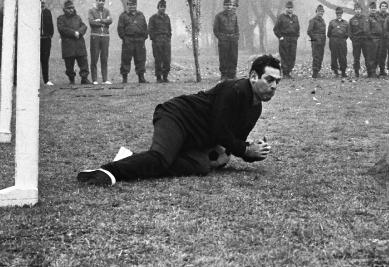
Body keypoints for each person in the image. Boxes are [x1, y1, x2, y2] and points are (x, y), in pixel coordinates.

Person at [76, 54, 281, 187]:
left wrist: (253, 151)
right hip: (177, 116)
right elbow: (220, 133)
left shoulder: (256, 107)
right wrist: (245, 150)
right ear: (253, 77)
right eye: (269, 79)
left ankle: (132, 159)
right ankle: (107, 170)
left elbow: (233, 142)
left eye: (277, 82)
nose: (273, 86)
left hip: (194, 137)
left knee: (201, 166)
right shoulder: (236, 89)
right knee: (161, 158)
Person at [57, 0, 90, 85]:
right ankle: (71, 79)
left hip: (79, 44)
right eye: (69, 8)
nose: (71, 9)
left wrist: (79, 32)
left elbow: (84, 26)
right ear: (65, 9)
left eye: (72, 8)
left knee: (83, 61)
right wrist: (74, 33)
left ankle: (84, 78)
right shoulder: (61, 18)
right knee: (69, 64)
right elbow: (62, 29)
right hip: (68, 45)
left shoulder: (78, 17)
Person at [118, 0, 148, 84]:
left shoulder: (141, 15)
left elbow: (145, 27)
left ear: (136, 5)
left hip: (139, 40)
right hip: (128, 39)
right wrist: (124, 38)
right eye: (130, 5)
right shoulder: (123, 16)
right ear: (127, 5)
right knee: (126, 59)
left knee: (140, 59)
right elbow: (120, 28)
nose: (132, 6)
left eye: (134, 4)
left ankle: (141, 78)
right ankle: (124, 79)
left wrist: (144, 37)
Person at [88, 0, 113, 85]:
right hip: (95, 36)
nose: (101, 2)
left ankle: (105, 79)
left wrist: (100, 20)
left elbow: (110, 20)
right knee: (94, 58)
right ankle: (94, 79)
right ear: (96, 1)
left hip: (105, 36)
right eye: (99, 0)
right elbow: (91, 22)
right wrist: (103, 23)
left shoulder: (107, 11)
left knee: (104, 58)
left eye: (103, 1)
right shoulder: (91, 11)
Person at [213, 0, 239, 80]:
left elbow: (236, 27)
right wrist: (221, 38)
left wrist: (236, 37)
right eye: (227, 5)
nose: (228, 6)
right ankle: (224, 75)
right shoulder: (219, 16)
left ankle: (232, 74)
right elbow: (215, 29)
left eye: (230, 5)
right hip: (224, 40)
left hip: (233, 39)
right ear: (224, 6)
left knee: (233, 57)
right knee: (223, 57)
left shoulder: (234, 15)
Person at [273, 1, 300, 79]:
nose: (289, 9)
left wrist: (296, 37)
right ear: (285, 8)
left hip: (293, 39)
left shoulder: (295, 17)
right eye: (288, 8)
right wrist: (280, 37)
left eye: (291, 8)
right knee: (284, 56)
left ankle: (289, 71)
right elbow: (276, 28)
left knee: (292, 56)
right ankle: (285, 73)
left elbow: (298, 29)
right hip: (284, 39)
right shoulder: (281, 17)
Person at [149, 0, 172, 83]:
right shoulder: (153, 18)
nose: (163, 8)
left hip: (166, 40)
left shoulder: (167, 17)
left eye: (164, 6)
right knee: (158, 59)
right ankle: (158, 77)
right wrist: (154, 39)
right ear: (158, 7)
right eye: (161, 6)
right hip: (157, 40)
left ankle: (165, 76)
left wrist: (168, 38)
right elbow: (150, 30)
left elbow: (169, 29)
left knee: (167, 59)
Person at [327, 6, 349, 77]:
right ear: (336, 14)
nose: (338, 14)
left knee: (343, 56)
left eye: (340, 13)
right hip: (334, 40)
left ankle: (343, 71)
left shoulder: (345, 23)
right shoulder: (332, 22)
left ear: (342, 13)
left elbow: (347, 34)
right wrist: (334, 39)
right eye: (337, 13)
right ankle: (335, 71)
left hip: (342, 40)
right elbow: (329, 34)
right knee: (334, 56)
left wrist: (342, 38)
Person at [348, 3, 368, 78]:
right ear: (354, 10)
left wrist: (367, 37)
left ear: (361, 10)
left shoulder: (365, 19)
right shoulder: (352, 20)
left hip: (364, 40)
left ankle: (369, 71)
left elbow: (368, 28)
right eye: (356, 9)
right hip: (356, 41)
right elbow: (349, 31)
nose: (357, 11)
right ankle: (356, 71)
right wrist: (353, 39)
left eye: (359, 9)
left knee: (367, 56)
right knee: (356, 57)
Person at [307, 4, 326, 78]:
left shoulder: (322, 21)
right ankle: (315, 72)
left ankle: (317, 71)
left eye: (322, 11)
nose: (321, 12)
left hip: (322, 41)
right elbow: (309, 31)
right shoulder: (313, 20)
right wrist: (315, 39)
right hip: (315, 42)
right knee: (316, 56)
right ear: (316, 11)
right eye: (319, 11)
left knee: (320, 56)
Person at [40, 0, 54, 85]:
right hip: (37, 40)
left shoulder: (48, 12)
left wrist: (50, 34)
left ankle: (46, 80)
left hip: (46, 39)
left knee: (45, 60)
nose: (42, 1)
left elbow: (51, 25)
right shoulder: (35, 12)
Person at [365, 2, 383, 78]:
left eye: (374, 8)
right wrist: (372, 38)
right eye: (372, 8)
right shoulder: (368, 18)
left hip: (379, 39)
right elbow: (366, 30)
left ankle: (374, 71)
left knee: (377, 56)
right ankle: (370, 72)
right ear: (369, 9)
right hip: (372, 40)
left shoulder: (378, 18)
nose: (373, 9)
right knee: (371, 57)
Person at [377, 1, 389, 76]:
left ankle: (382, 70)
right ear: (380, 7)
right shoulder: (376, 15)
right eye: (382, 6)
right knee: (376, 54)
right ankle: (374, 70)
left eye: (385, 6)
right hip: (377, 37)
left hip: (385, 37)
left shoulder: (388, 16)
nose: (384, 7)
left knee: (383, 54)